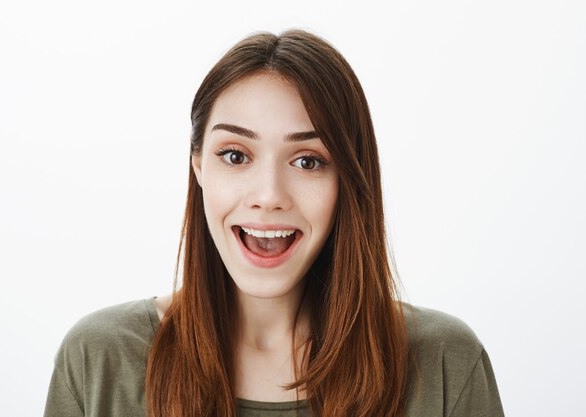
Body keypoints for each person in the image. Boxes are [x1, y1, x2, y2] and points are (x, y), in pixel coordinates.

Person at [43, 30, 504, 417]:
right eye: (235, 155)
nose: (268, 197)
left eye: (307, 161)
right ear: (199, 166)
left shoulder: (445, 365)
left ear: (349, 178)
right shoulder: (98, 361)